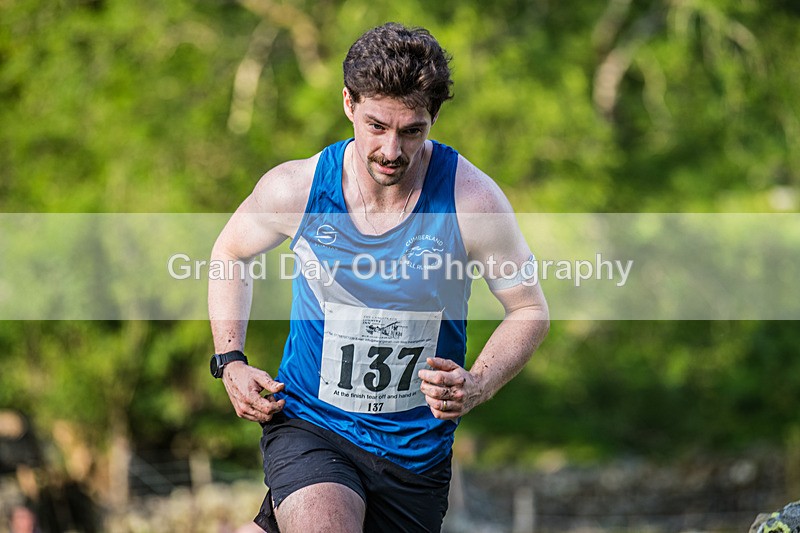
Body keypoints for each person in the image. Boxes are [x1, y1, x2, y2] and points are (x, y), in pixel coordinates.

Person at [208, 22, 549, 533]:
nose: (392, 151)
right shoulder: (295, 190)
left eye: (412, 130)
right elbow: (230, 253)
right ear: (348, 104)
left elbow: (529, 309)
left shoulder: (471, 202)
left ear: (433, 117)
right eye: (376, 126)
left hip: (413, 457)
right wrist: (230, 359)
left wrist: (477, 384)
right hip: (311, 424)